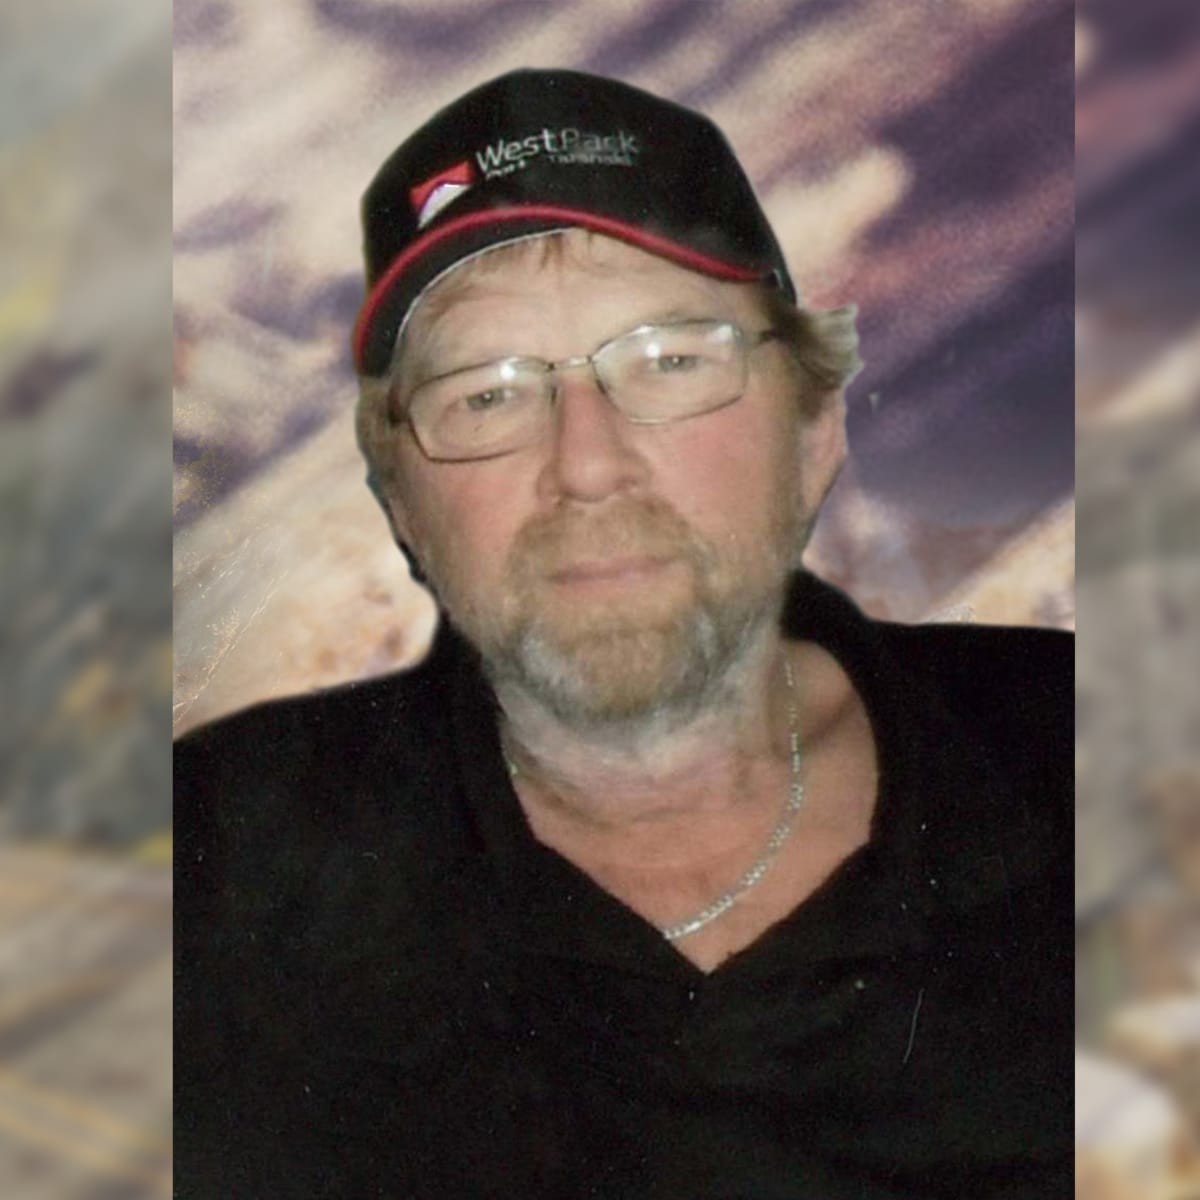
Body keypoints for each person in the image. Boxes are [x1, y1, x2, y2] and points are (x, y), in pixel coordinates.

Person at [175, 69, 1072, 1198]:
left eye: (669, 361)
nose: (588, 465)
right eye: (489, 392)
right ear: (398, 495)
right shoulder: (200, 874)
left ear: (813, 430)